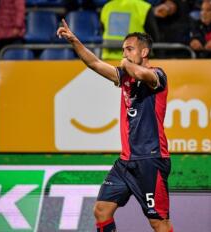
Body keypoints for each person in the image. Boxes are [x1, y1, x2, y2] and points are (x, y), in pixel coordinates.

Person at [57, 19, 173, 232]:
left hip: (150, 159)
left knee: (158, 222)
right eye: (123, 50)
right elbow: (94, 63)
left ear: (144, 51)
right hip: (126, 161)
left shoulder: (158, 75)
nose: (124, 54)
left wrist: (125, 63)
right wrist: (74, 41)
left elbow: (140, 73)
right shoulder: (124, 75)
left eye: (129, 49)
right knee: (101, 210)